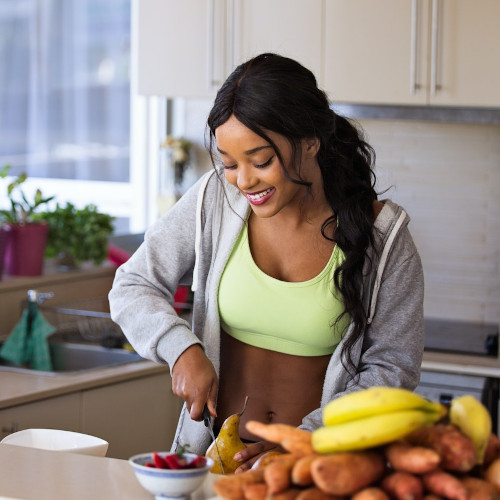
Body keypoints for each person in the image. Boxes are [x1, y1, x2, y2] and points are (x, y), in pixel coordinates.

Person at [108, 53, 424, 471]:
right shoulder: (215, 199)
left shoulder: (382, 235)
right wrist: (181, 348)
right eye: (229, 164)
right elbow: (132, 285)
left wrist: (303, 443)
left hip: (316, 470)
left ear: (311, 140)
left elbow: (391, 369)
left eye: (261, 161)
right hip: (214, 465)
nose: (244, 181)